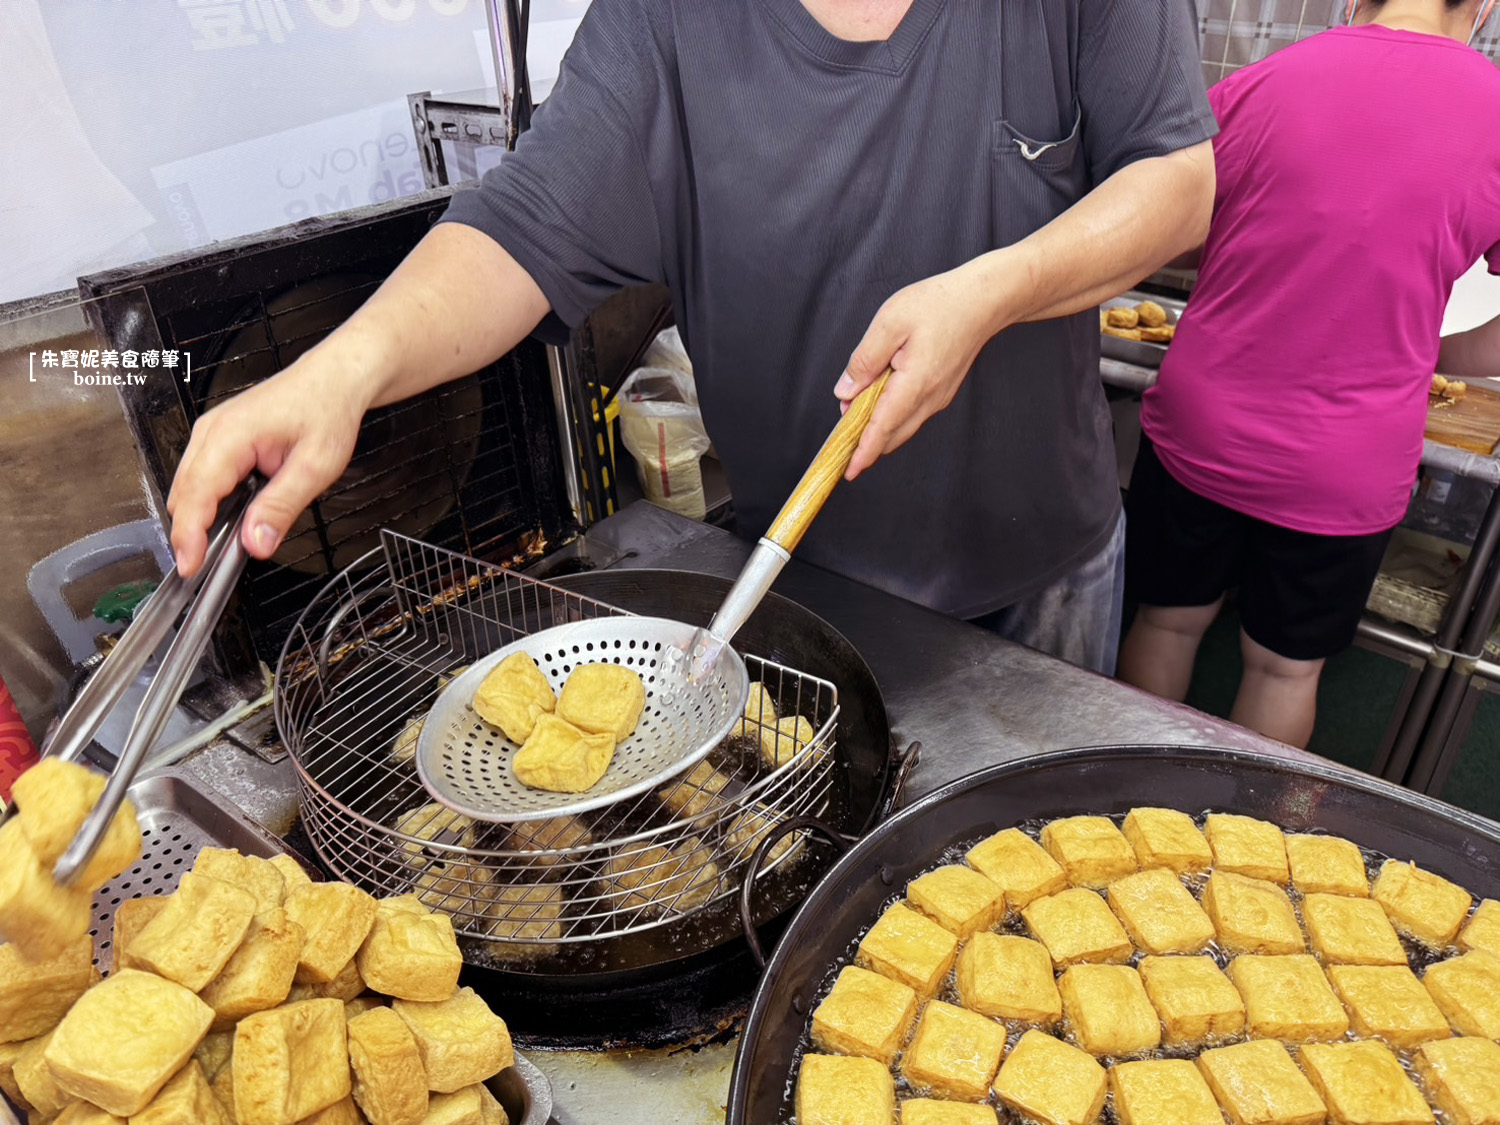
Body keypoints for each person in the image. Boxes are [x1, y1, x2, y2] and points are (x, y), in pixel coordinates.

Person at [168, 0, 1216, 676]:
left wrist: (995, 289)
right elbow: (532, 219)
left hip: (1045, 575)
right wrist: (342, 369)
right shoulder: (668, 16)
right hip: (801, 580)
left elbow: (1176, 185)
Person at [1118, 0, 1500, 745]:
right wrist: (1437, 351)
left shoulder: (1265, 81)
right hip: (1348, 462)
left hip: (1203, 425)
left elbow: (1168, 233)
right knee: (1284, 671)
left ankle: (1122, 810)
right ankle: (1236, 849)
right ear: (1482, 6)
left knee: (1164, 623)